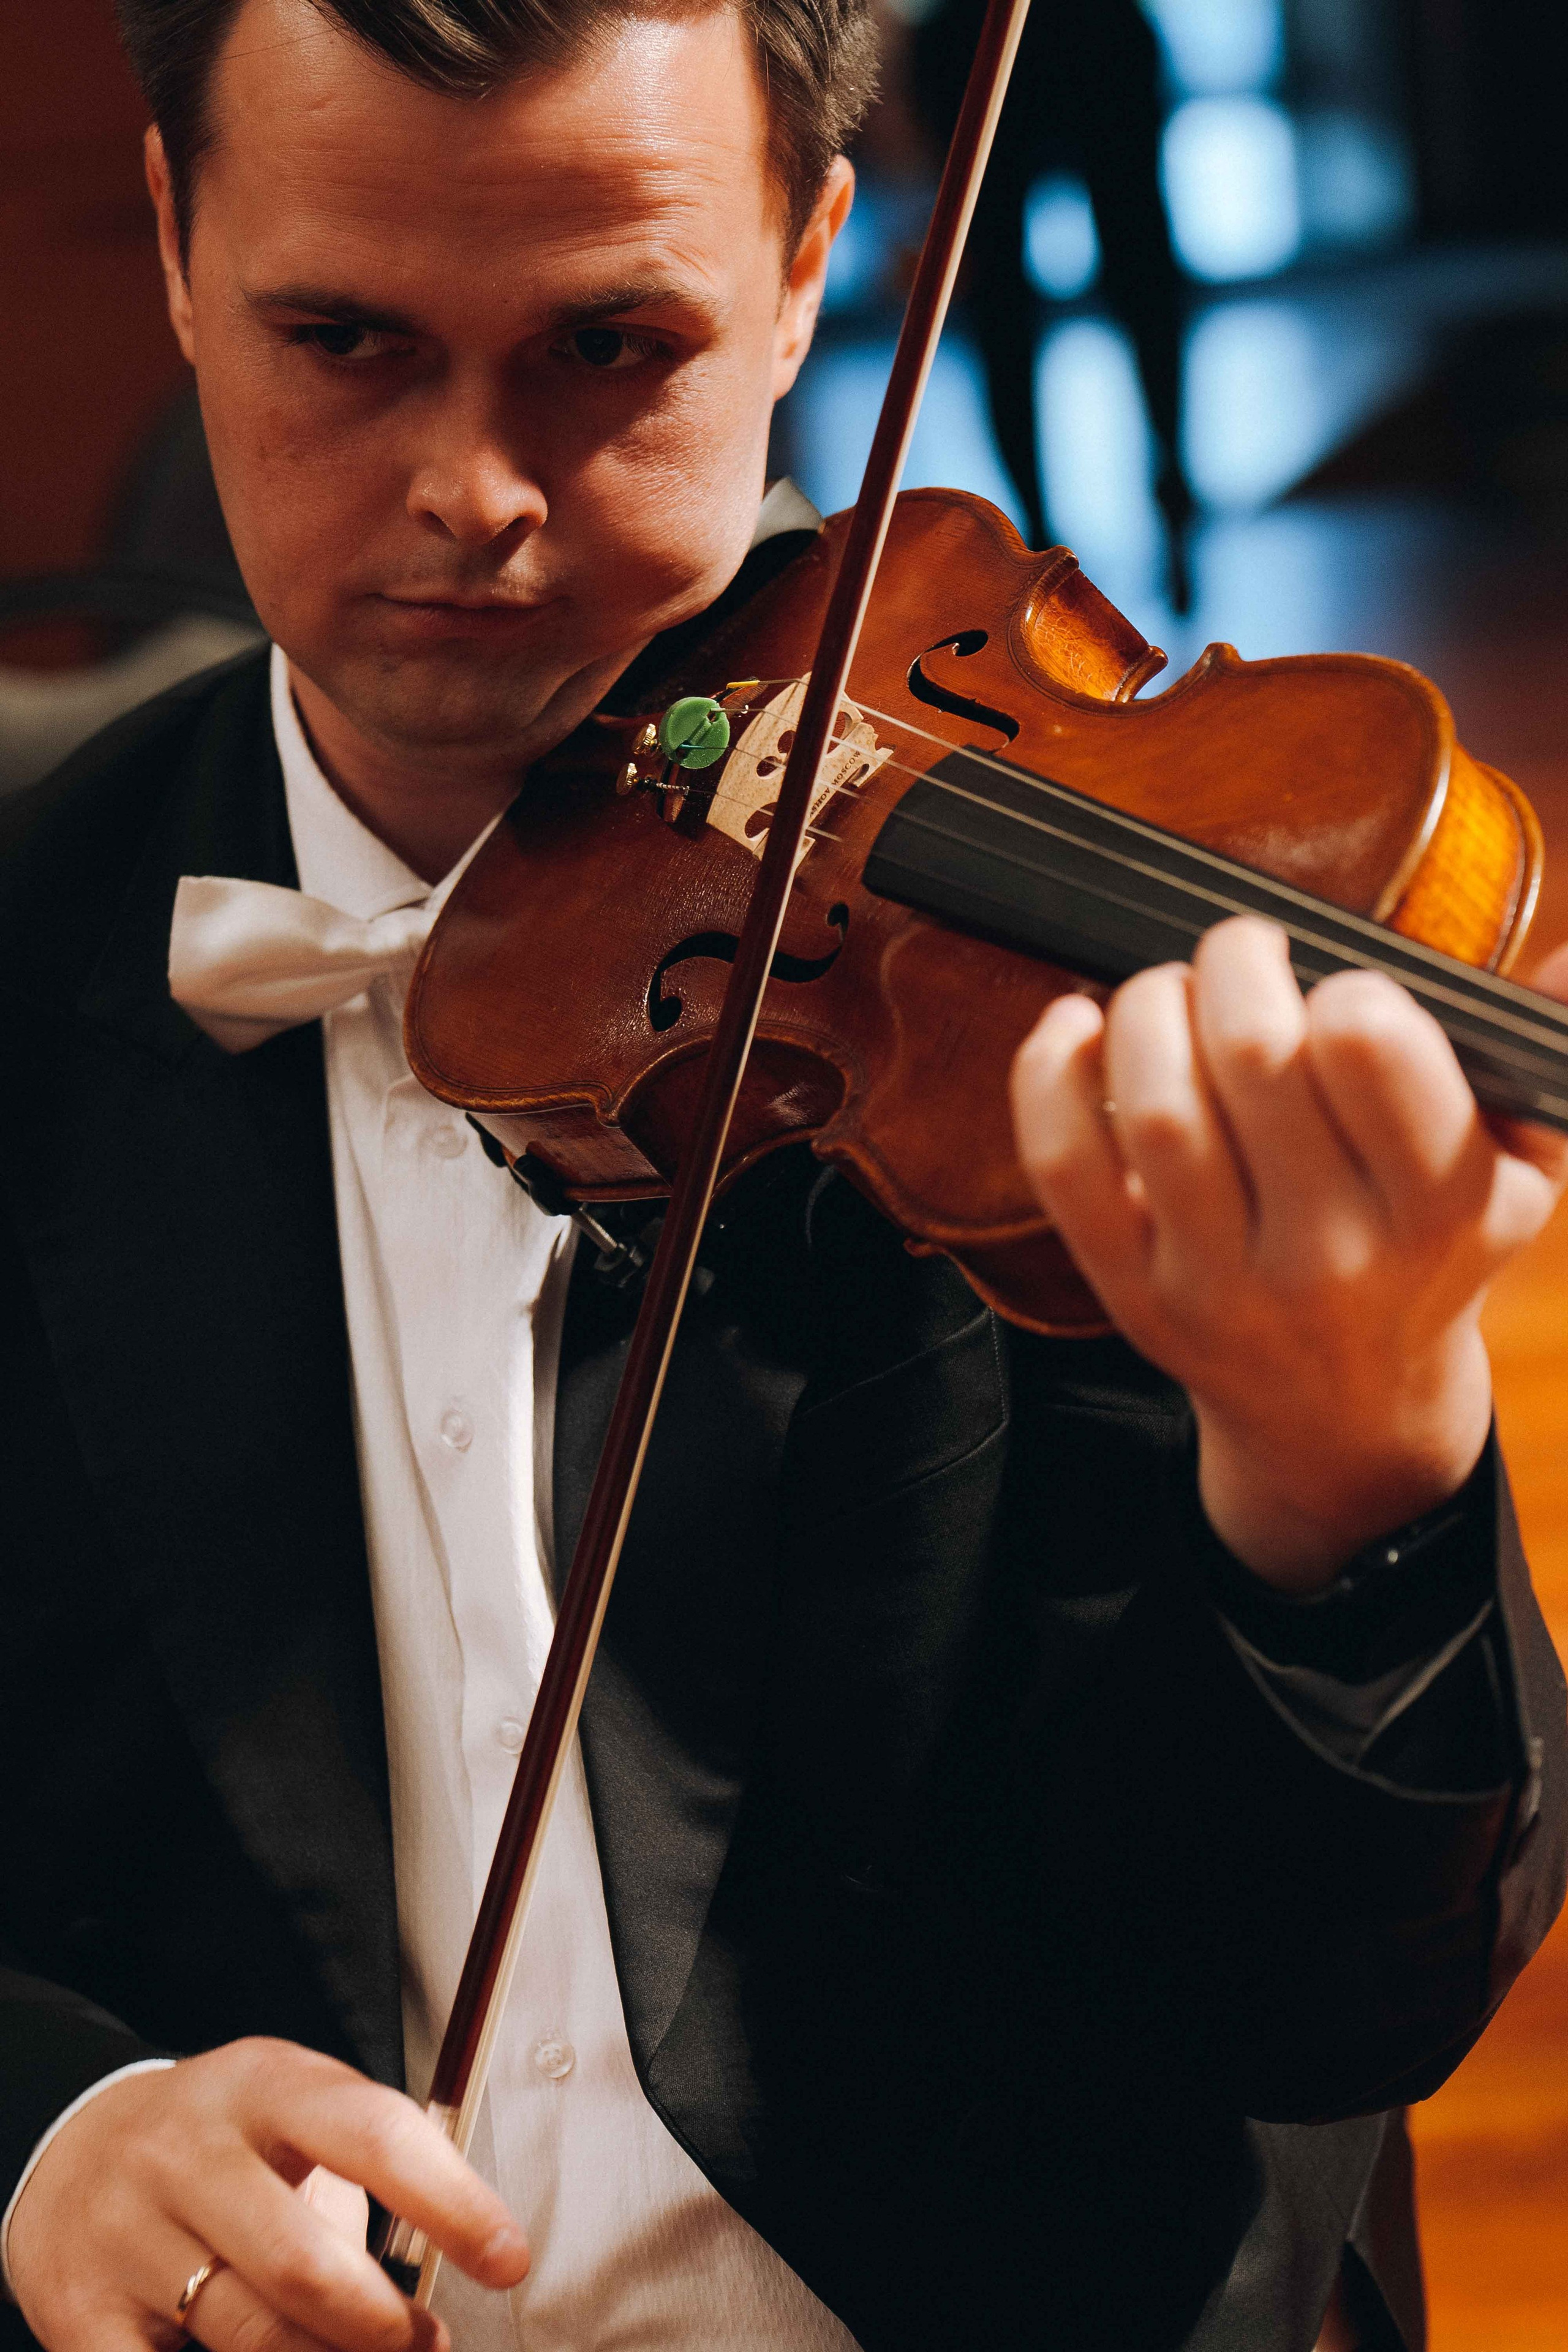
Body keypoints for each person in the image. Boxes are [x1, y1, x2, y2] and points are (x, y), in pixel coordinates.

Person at [0, 3, 1564, 2350]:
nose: (470, 493)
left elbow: (1304, 2007)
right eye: (343, 339)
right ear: (174, 241)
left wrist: (1336, 1470)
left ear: (816, 254)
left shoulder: (1057, 995)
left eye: (607, 346)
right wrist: (46, 2129)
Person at [907, 0, 1196, 605]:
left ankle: (1042, 538)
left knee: (1005, 307)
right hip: (1074, 32)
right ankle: (1163, 498)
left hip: (983, 35)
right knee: (1136, 281)